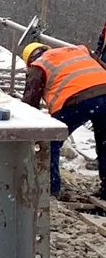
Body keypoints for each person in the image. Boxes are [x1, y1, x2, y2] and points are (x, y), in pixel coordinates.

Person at [21, 42, 106, 198]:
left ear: (29, 60)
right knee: (105, 143)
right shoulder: (79, 50)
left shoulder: (39, 65)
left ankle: (52, 190)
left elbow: (30, 103)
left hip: (76, 100)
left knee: (49, 141)